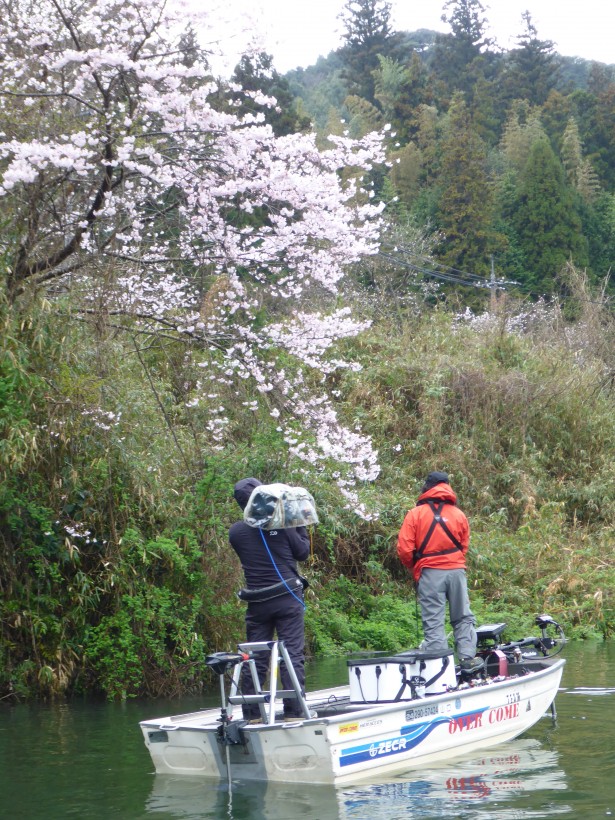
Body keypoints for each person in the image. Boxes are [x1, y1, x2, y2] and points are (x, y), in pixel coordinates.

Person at [229, 477, 311, 719]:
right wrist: (298, 521)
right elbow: (303, 553)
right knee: (291, 654)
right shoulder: (285, 524)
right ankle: (295, 711)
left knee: (255, 657)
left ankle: (252, 714)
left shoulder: (236, 532)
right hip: (287, 597)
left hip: (257, 603)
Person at [397, 471, 483, 674]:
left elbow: (404, 549)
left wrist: (415, 567)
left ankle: (440, 670)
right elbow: (464, 546)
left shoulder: (415, 514)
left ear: (426, 488)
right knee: (463, 616)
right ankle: (467, 659)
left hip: (430, 573)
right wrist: (454, 561)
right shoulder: (459, 514)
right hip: (456, 571)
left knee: (434, 621)